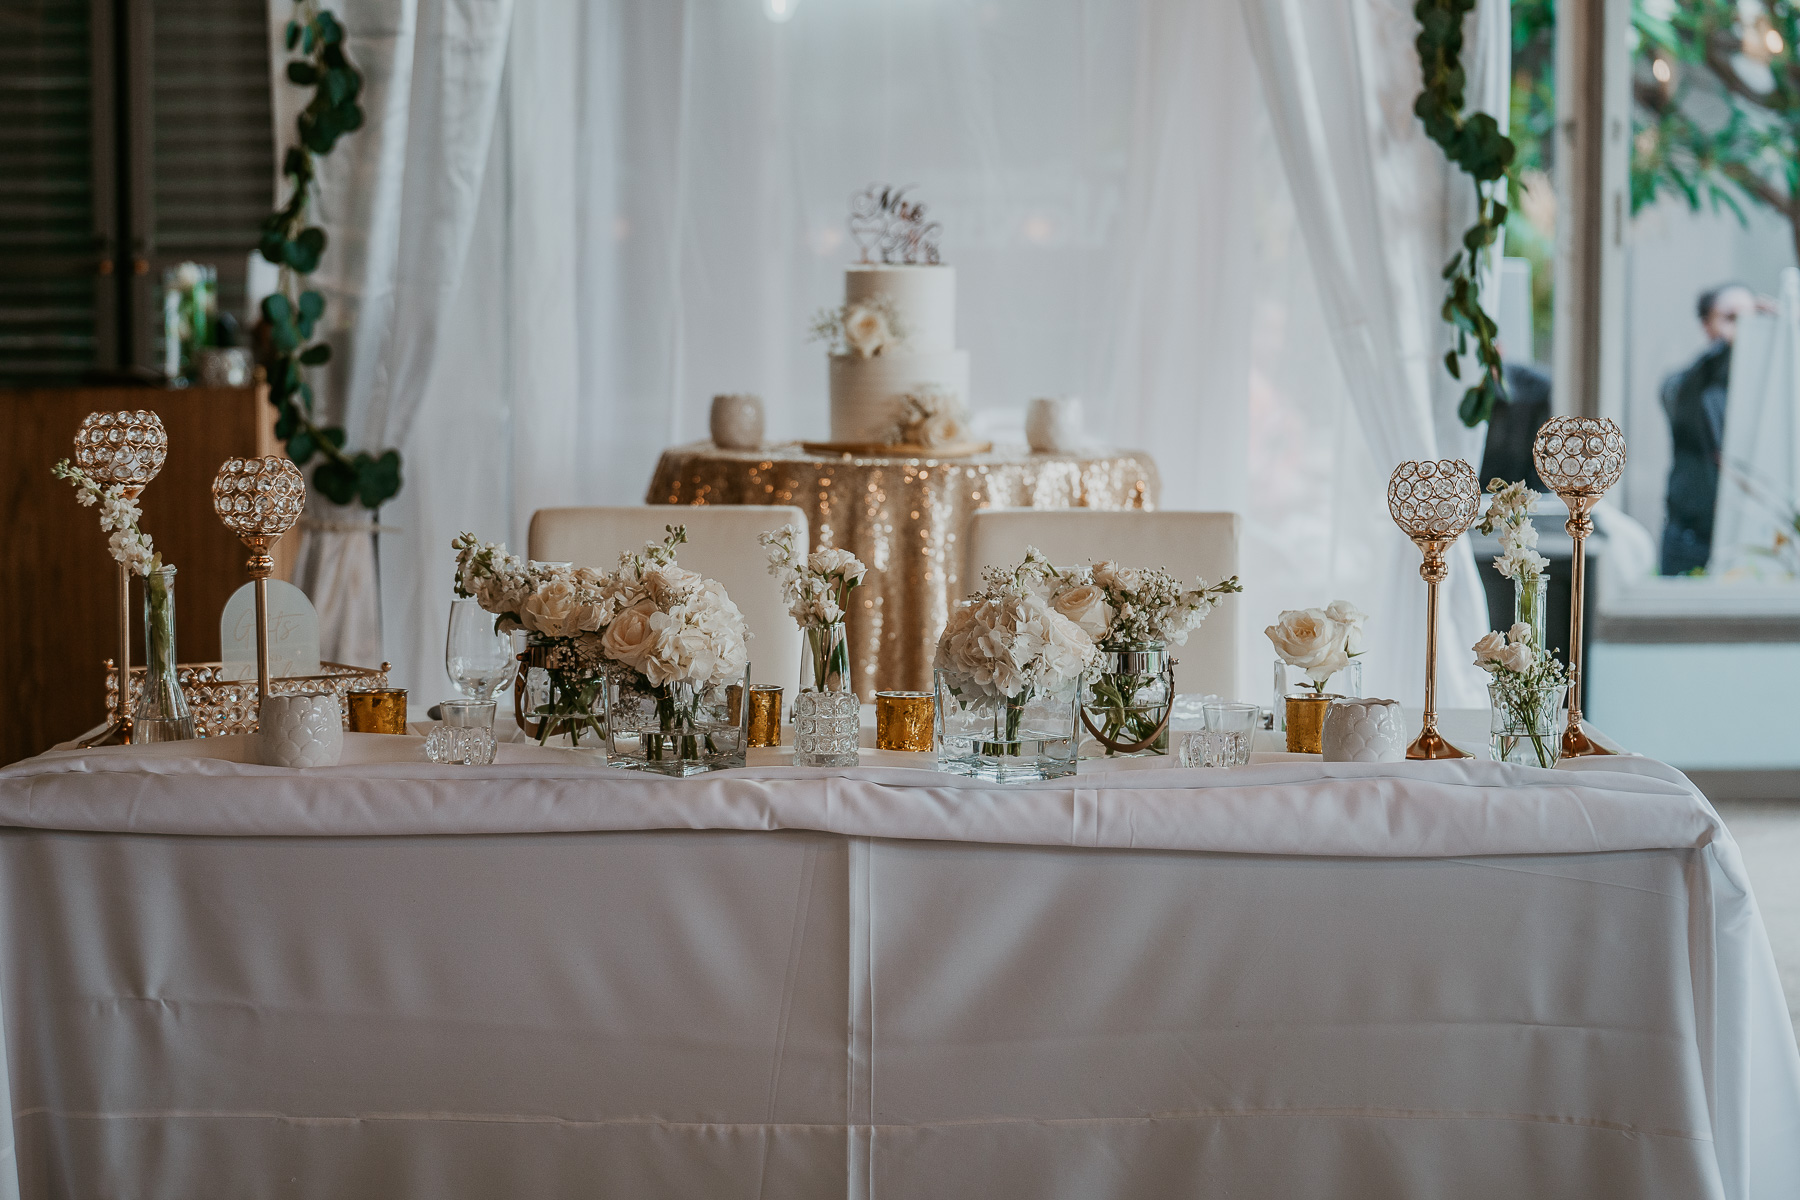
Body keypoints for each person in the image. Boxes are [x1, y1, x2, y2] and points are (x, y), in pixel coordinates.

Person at [1659, 283, 1758, 575]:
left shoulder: (1765, 392)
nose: (1744, 328)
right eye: (1731, 317)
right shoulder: (1687, 384)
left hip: (1748, 539)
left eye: (1750, 319)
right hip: (1689, 540)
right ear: (1707, 324)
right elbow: (1677, 397)